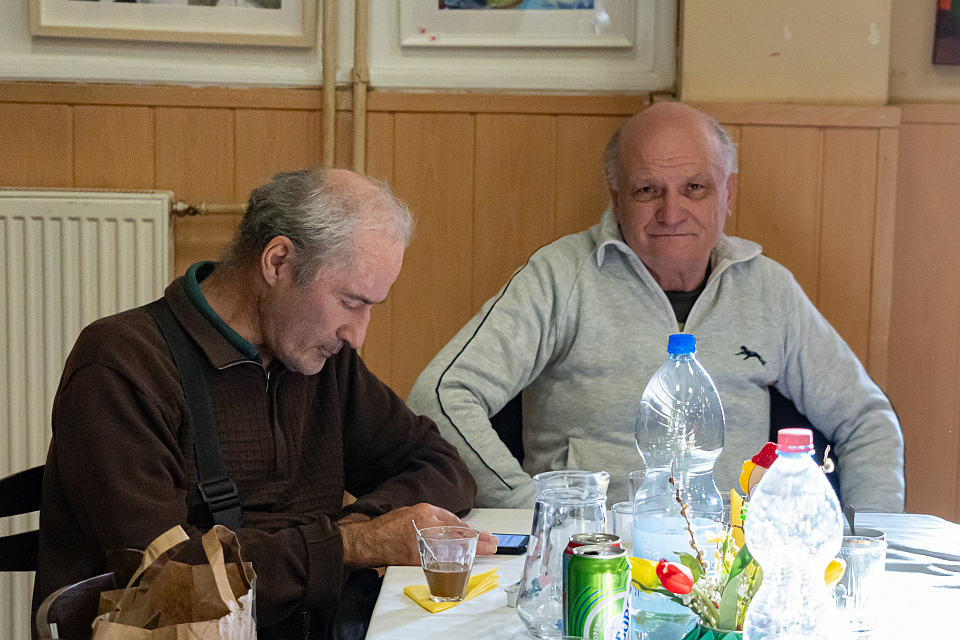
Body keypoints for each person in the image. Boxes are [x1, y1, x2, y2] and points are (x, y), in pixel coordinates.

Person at [32, 167, 496, 640]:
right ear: (277, 262)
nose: (357, 335)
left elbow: (441, 466)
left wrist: (361, 527)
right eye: (351, 302)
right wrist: (352, 544)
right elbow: (165, 585)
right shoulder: (121, 365)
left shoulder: (321, 360)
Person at [407, 102, 905, 512]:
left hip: (732, 571)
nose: (671, 212)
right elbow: (442, 394)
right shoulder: (560, 277)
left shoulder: (768, 289)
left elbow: (867, 419)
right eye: (648, 190)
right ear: (616, 198)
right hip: (592, 562)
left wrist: (867, 544)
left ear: (728, 193)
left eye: (694, 188)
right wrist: (529, 509)